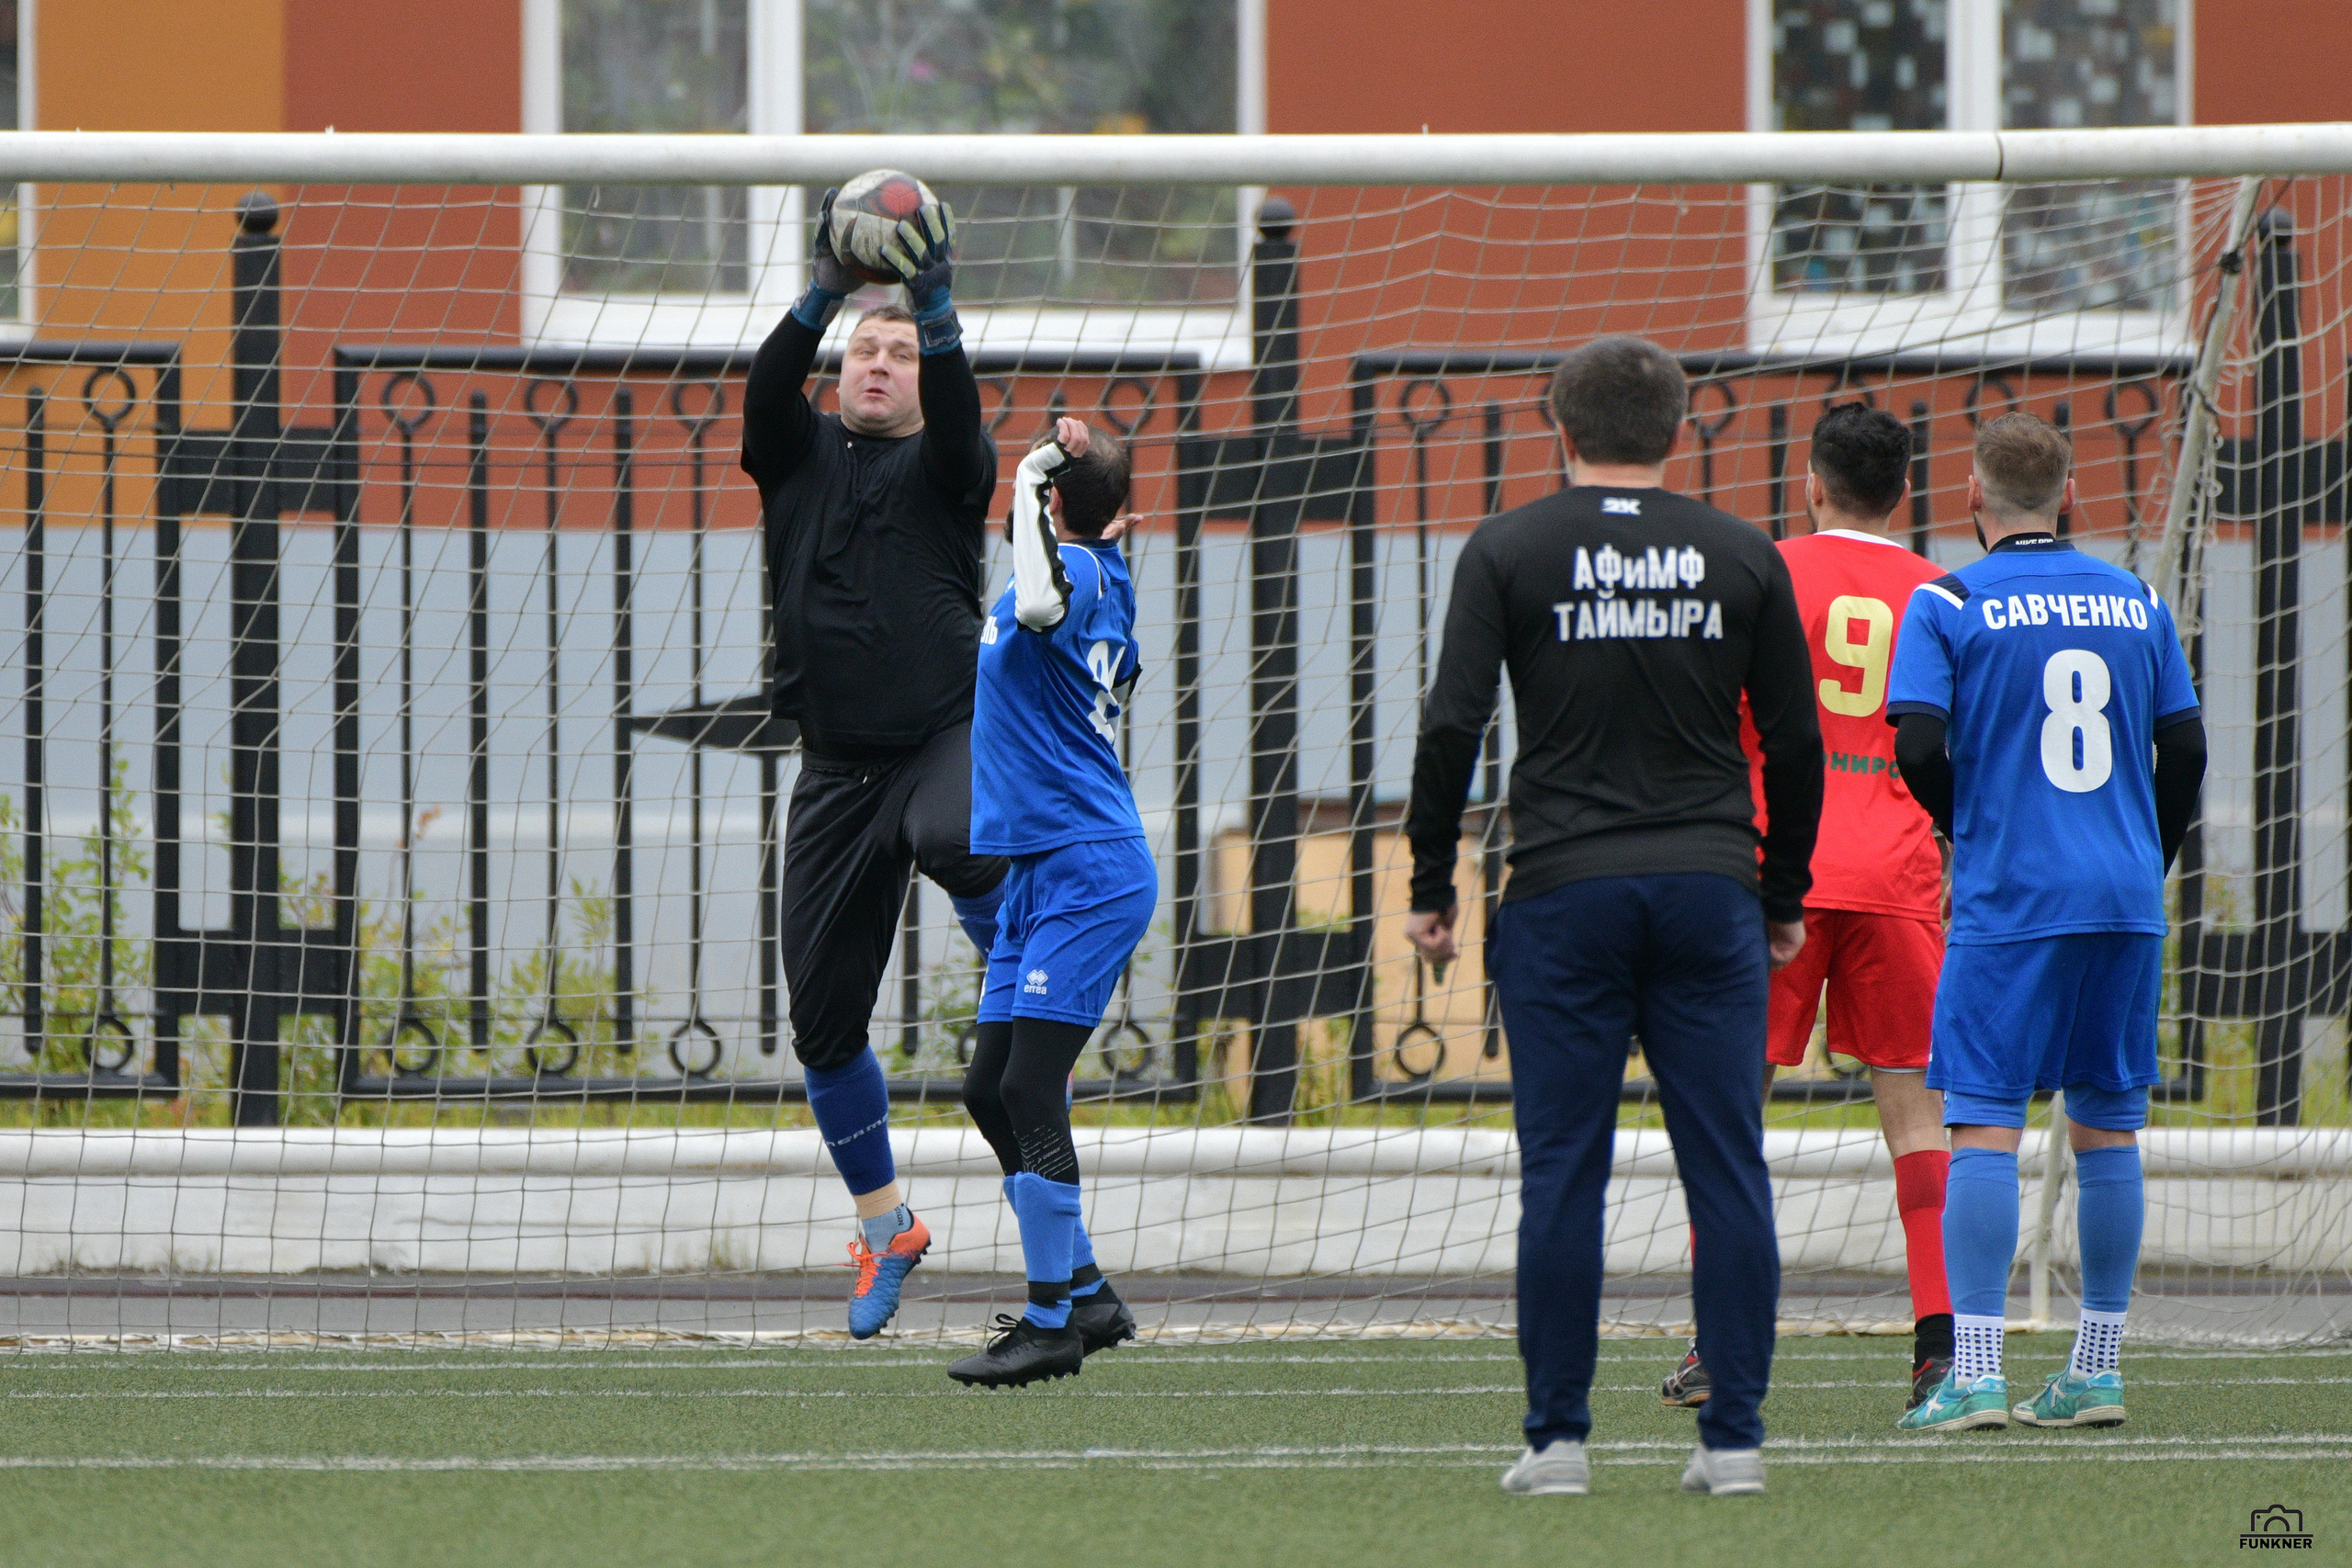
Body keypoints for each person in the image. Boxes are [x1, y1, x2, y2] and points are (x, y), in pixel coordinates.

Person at [1405, 336, 1824, 1498]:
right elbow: (1793, 741)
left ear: (1557, 425)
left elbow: (1450, 727)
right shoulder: (1743, 553)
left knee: (1563, 1172)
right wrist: (1780, 893)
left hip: (1561, 889)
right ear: (1680, 430)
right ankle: (1731, 1442)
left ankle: (1557, 1446)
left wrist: (1430, 885)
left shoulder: (1509, 546)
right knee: (1727, 1168)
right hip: (1706, 890)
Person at [1886, 412, 2205, 1433]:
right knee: (2107, 1127)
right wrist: (2141, 855)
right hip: (2119, 896)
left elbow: (1920, 747)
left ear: (1973, 500)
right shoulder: (2138, 598)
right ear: (2066, 498)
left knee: (1982, 1119)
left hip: (2011, 895)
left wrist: (1962, 830)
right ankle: (2096, 1368)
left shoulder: (1945, 600)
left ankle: (1974, 1372)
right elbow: (2186, 751)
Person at [741, 186, 1008, 1338]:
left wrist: (936, 312)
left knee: (951, 835)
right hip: (838, 770)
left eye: (898, 352)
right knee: (823, 1026)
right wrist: (818, 295)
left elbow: (957, 416)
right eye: (865, 348)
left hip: (945, 737)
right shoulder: (794, 457)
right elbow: (762, 394)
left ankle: (1031, 960)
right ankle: (887, 1222)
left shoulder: (950, 469)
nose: (879, 364)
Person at [1661, 403, 1953, 1418]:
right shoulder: (1936, 589)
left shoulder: (1760, 568)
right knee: (1914, 1109)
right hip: (1898, 876)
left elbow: (1709, 721)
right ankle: (1939, 1345)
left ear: (1809, 482)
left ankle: (1716, 1341)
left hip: (1770, 871)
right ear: (1904, 493)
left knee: (1730, 1101)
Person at [948, 417, 1155, 1389]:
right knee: (989, 1087)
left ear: (1054, 503)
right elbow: (1034, 580)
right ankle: (1087, 1291)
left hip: (1085, 865)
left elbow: (1036, 599)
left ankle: (1049, 1323)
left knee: (1031, 1088)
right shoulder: (1092, 572)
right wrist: (1052, 499)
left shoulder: (1068, 584)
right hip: (1042, 866)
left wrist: (1029, 472)